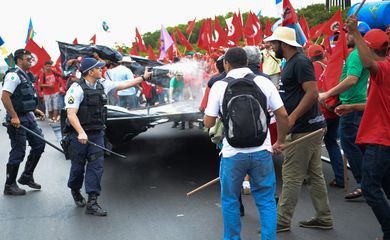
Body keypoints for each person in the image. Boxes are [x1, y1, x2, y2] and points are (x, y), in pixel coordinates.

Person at [204, 47, 289, 240]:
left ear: (226, 63)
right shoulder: (264, 82)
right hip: (262, 151)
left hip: (232, 153)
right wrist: (281, 141)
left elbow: (208, 122)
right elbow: (282, 115)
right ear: (248, 62)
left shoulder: (219, 85)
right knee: (266, 201)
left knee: (230, 200)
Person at [264, 27, 333, 232]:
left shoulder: (301, 62)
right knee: (314, 174)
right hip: (310, 127)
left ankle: (282, 221)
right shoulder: (291, 63)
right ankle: (324, 217)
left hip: (305, 128)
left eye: (274, 43)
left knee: (292, 175)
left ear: (284, 44)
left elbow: (312, 93)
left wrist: (291, 118)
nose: (271, 46)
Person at [64, 57, 151, 216]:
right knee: (77, 168)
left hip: (97, 134)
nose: (102, 70)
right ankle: (75, 190)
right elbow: (71, 114)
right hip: (78, 136)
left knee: (96, 167)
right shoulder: (76, 89)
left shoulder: (102, 84)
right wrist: (81, 132)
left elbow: (124, 84)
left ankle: (92, 201)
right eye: (99, 68)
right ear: (91, 71)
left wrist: (143, 78)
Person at [337, 16, 389, 240]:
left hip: (381, 140)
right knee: (385, 185)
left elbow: (369, 63)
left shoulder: (383, 69)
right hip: (382, 138)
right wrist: (352, 107)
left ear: (368, 48)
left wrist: (355, 32)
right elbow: (376, 102)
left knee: (369, 188)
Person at [319, 25, 370, 200]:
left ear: (357, 34)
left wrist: (328, 93)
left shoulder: (356, 54)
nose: (345, 36)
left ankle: (366, 184)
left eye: (347, 33)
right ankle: (370, 181)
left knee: (350, 144)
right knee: (361, 145)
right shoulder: (361, 54)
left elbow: (352, 79)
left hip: (353, 106)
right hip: (356, 104)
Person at [1, 49, 46, 195]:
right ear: (19, 60)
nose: (30, 61)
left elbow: (23, 98)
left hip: (28, 117)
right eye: (28, 59)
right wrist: (13, 116)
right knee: (18, 150)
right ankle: (9, 185)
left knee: (39, 144)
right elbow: (5, 97)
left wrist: (34, 110)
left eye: (31, 59)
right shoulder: (13, 76)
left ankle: (27, 176)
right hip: (17, 119)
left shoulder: (25, 75)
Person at [308, 44, 344, 188]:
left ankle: (311, 177)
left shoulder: (314, 67)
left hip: (322, 111)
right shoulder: (332, 63)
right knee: (332, 143)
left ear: (310, 56)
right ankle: (341, 177)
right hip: (335, 108)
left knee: (313, 145)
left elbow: (313, 89)